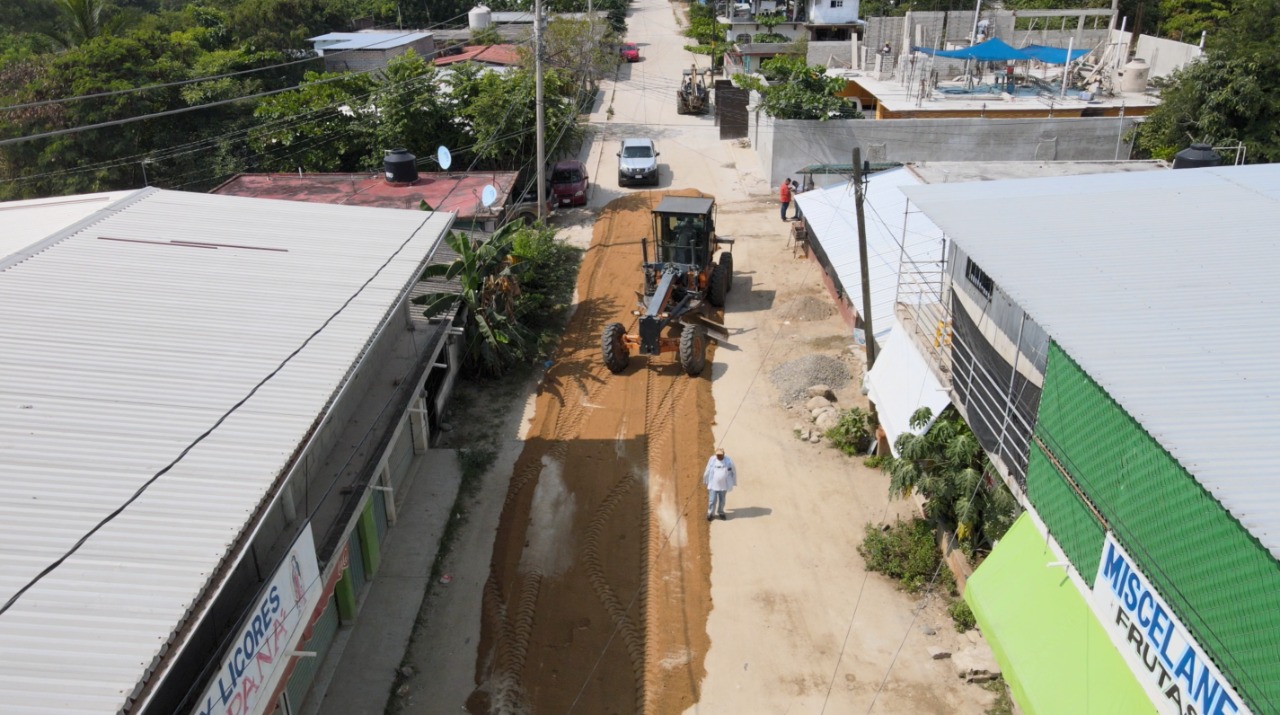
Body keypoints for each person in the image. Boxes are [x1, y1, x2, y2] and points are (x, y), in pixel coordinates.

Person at [703, 447, 737, 521]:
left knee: (722, 501)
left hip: (723, 486)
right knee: (712, 500)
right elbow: (708, 469)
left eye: (720, 455)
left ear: (723, 454)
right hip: (713, 486)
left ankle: (721, 512)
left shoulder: (728, 461)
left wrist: (733, 481)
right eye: (717, 455)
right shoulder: (712, 460)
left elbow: (733, 471)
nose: (719, 456)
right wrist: (705, 479)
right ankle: (710, 513)